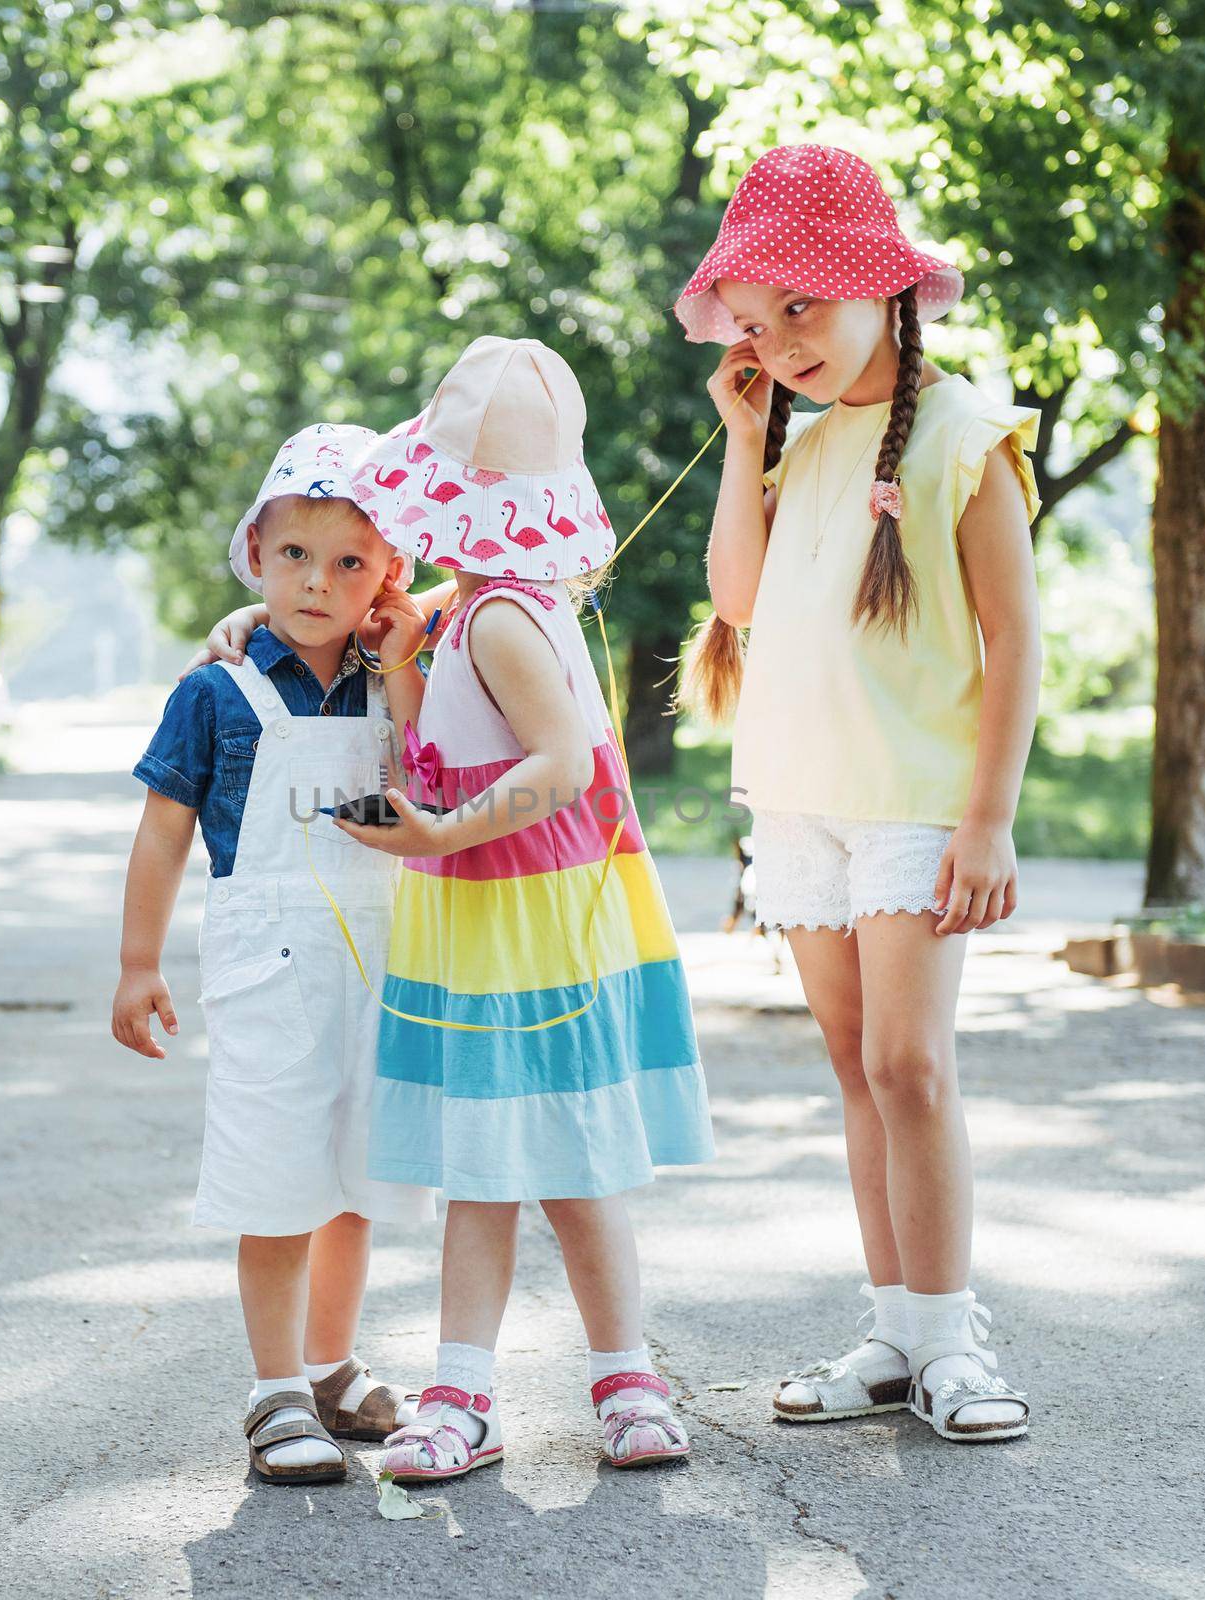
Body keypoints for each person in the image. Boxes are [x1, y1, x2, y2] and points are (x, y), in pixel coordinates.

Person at [678, 144, 1039, 1442]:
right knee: (849, 1062)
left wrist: (987, 817)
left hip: (914, 803)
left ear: (880, 286)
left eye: (801, 308)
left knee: (908, 1062)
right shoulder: (806, 443)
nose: (778, 342)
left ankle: (951, 1338)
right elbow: (738, 599)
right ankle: (894, 1327)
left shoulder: (964, 435)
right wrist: (742, 435)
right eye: (757, 323)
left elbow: (1015, 640)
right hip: (797, 801)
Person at [333, 337, 716, 1479]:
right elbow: (449, 734)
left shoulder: (502, 618)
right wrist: (407, 660)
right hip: (500, 916)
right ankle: (477, 1385)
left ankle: (615, 1376)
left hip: (523, 917)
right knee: (497, 1163)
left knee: (560, 1168)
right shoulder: (477, 610)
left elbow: (561, 763)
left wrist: (442, 833)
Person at [110, 424, 436, 1486]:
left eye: (351, 561)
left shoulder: (399, 678)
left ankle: (332, 1366)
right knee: (276, 1178)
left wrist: (400, 646)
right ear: (255, 552)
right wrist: (137, 962)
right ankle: (274, 1390)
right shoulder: (219, 690)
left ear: (388, 574)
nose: (317, 581)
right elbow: (163, 828)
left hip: (382, 962)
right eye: (294, 554)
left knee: (356, 1180)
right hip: (271, 970)